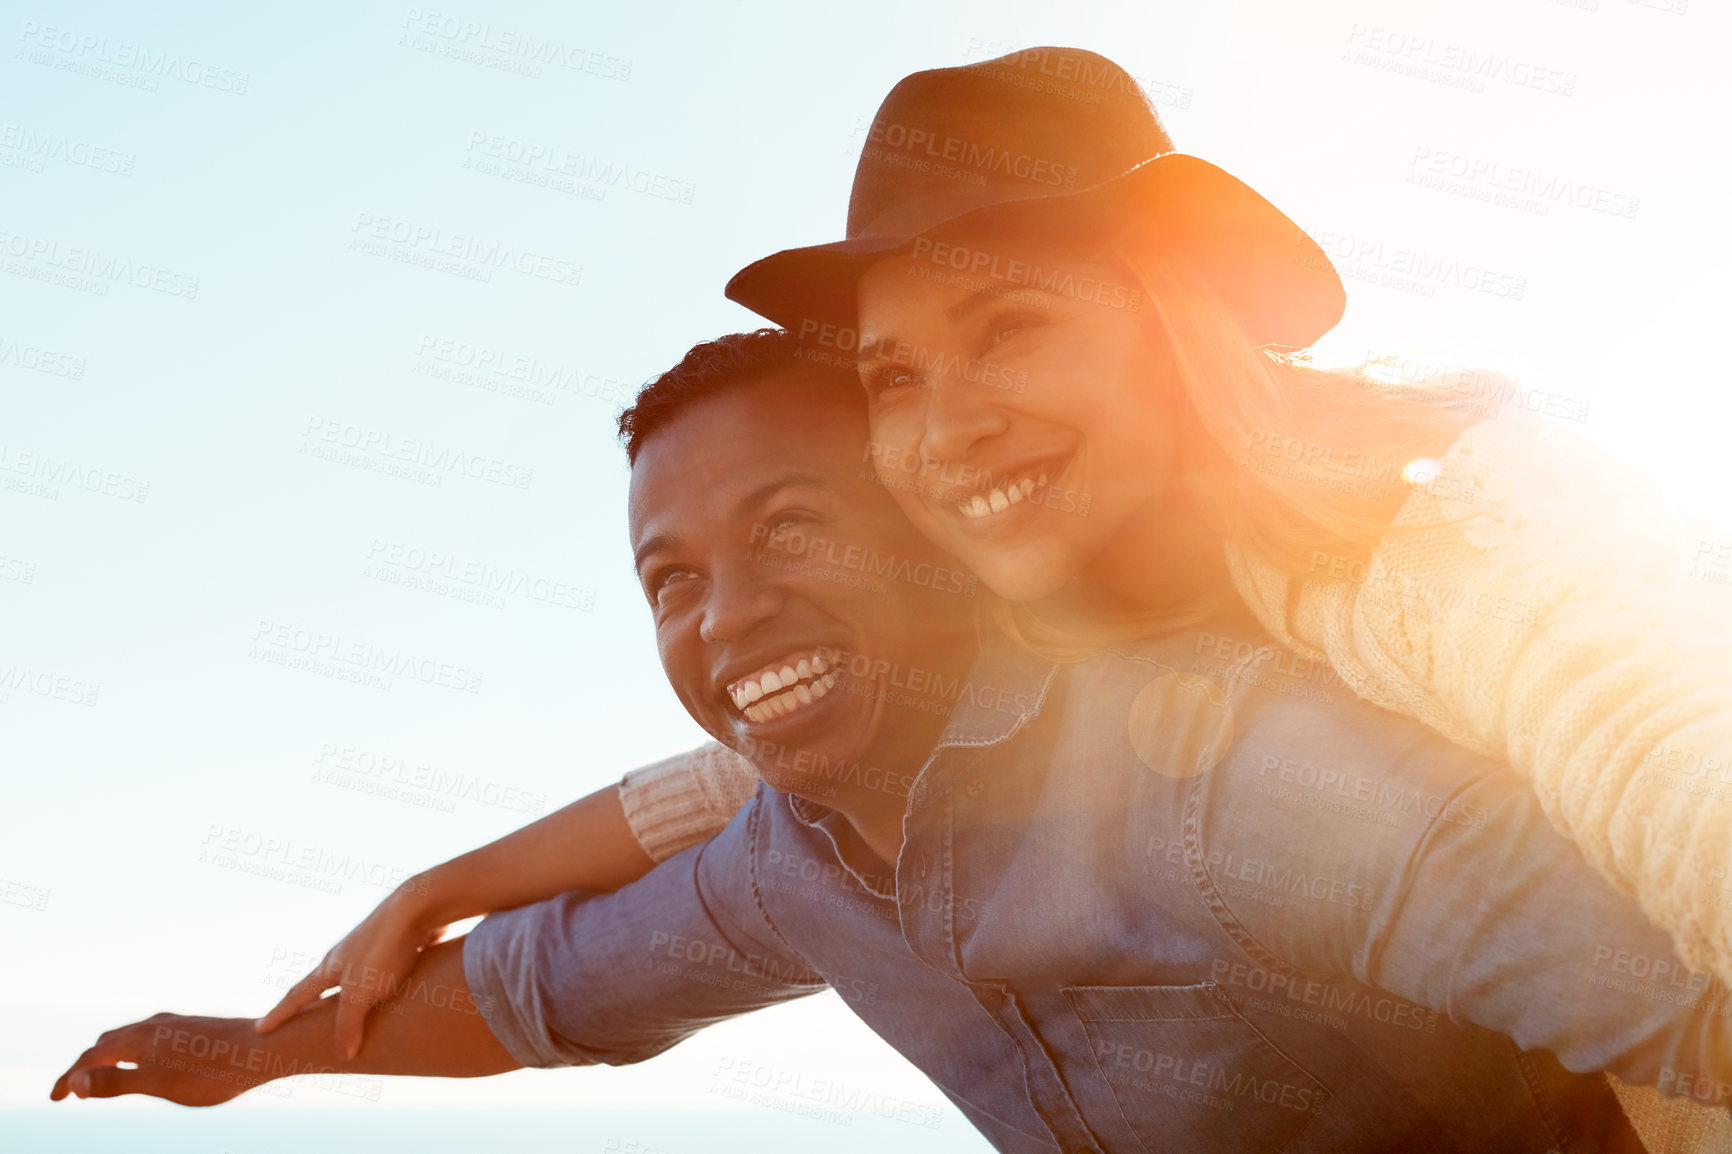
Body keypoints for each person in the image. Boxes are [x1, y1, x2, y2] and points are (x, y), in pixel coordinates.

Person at [50, 331, 1732, 1152]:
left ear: (941, 536)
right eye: (673, 580)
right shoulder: (789, 870)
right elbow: (535, 990)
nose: (728, 619)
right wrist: (261, 1050)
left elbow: (1690, 1020)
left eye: (793, 531)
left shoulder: (1235, 772)